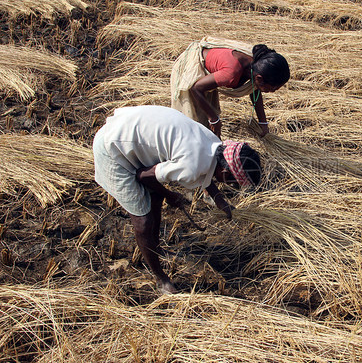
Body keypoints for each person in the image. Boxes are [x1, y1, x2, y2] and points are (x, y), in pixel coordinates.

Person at [93, 105, 262, 294]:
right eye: (233, 182)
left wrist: (219, 200)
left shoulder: (214, 143)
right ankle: (161, 280)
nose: (231, 186)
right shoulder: (190, 166)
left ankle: (155, 248)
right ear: (224, 170)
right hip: (113, 148)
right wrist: (170, 195)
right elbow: (143, 176)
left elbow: (206, 167)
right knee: (143, 221)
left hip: (130, 133)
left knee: (155, 197)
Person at [170, 36, 290, 139]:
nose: (272, 92)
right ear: (259, 78)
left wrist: (263, 123)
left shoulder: (258, 62)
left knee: (208, 124)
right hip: (191, 71)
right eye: (272, 89)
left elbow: (255, 91)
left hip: (209, 79)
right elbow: (196, 88)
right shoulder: (231, 73)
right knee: (193, 125)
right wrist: (213, 119)